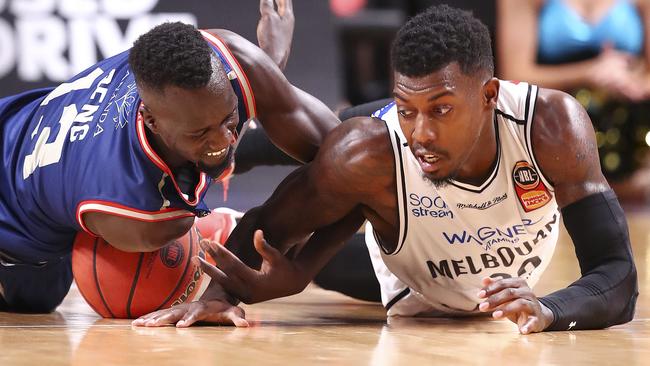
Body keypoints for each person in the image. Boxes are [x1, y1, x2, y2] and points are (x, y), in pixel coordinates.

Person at [134, 5, 638, 334]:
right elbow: (275, 221)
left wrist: (551, 309)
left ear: (488, 96)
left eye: (441, 109)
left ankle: (256, 146)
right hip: (407, 270)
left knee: (339, 146)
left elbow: (616, 278)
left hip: (453, 231)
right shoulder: (378, 152)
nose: (421, 132)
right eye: (406, 109)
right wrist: (222, 292)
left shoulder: (549, 125)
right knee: (335, 158)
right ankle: (227, 178)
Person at [0, 0, 341, 314]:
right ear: (150, 120)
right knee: (41, 298)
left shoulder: (226, 58)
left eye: (230, 117)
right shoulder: (139, 214)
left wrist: (265, 66)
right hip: (14, 243)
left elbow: (342, 152)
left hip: (15, 126)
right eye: (200, 132)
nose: (225, 137)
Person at [496, 0, 650, 202]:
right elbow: (512, 77)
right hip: (553, 130)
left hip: (631, 133)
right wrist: (589, 72)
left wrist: (629, 82)